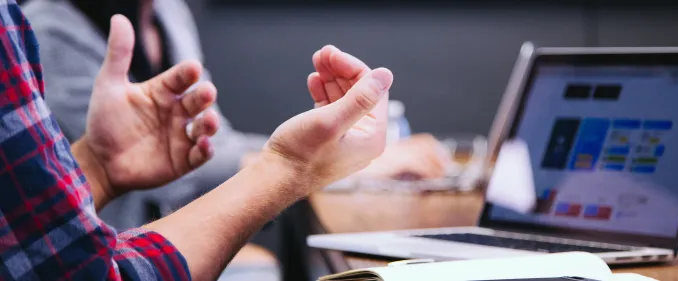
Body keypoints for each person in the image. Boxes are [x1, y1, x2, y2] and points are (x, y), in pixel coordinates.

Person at [0, 0, 394, 279]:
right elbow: (90, 273)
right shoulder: (41, 27)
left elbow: (214, 141)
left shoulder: (168, 12)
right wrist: (289, 166)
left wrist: (97, 168)